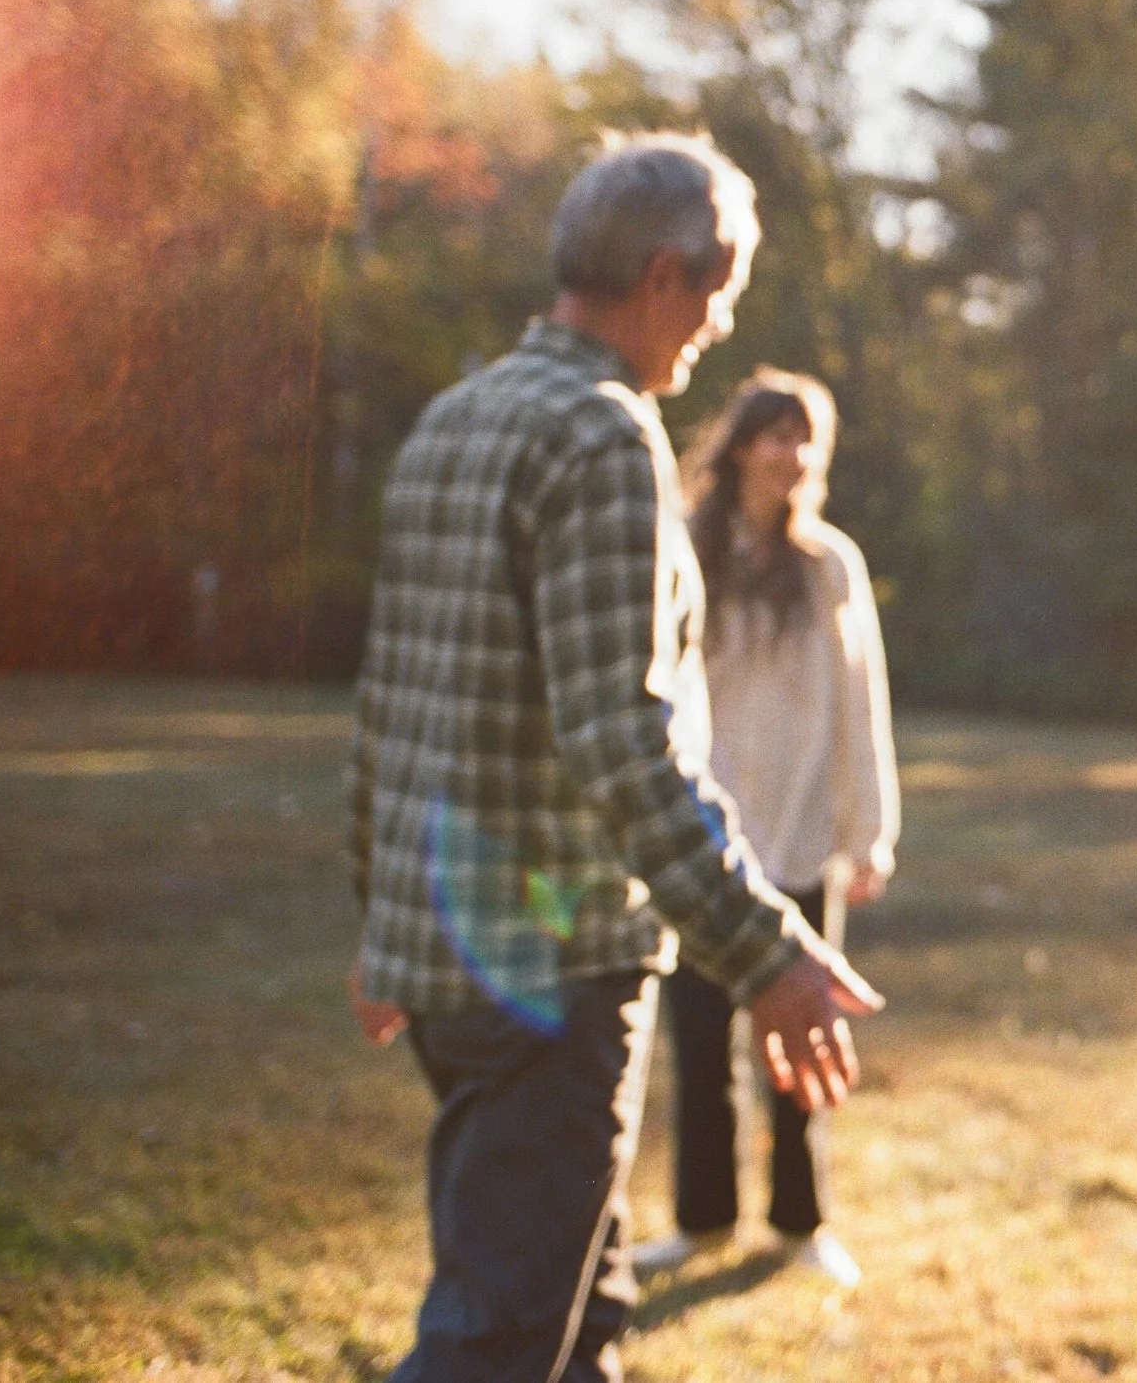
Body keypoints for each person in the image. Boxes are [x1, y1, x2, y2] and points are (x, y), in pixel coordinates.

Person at [347, 132, 882, 1383]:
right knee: (496, 1340)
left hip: (448, 953)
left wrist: (377, 915)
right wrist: (769, 955)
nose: (711, 330)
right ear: (662, 275)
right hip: (550, 962)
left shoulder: (453, 418)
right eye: (716, 295)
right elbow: (622, 741)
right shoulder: (601, 439)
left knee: (578, 1317)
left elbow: (383, 703)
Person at [632, 368, 900, 1285]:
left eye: (807, 439)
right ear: (742, 443)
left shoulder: (830, 565)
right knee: (699, 1046)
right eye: (778, 435)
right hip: (703, 842)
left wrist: (870, 832)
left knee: (800, 1041)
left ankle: (799, 1222)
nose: (793, 455)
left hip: (797, 836)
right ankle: (702, 1221)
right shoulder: (686, 549)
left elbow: (862, 705)